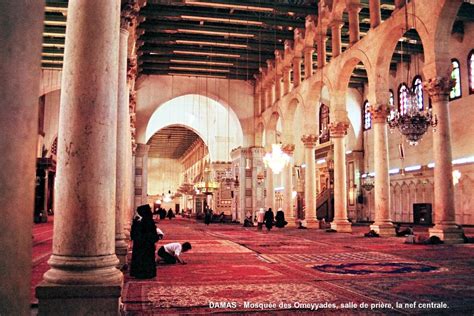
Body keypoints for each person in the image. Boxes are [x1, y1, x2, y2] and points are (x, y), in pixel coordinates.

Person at [130, 204, 160, 279]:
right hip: (147, 244)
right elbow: (152, 234)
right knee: (147, 259)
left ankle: (141, 273)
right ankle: (147, 273)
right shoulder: (148, 221)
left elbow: (135, 233)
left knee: (141, 258)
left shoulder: (142, 221)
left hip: (141, 244)